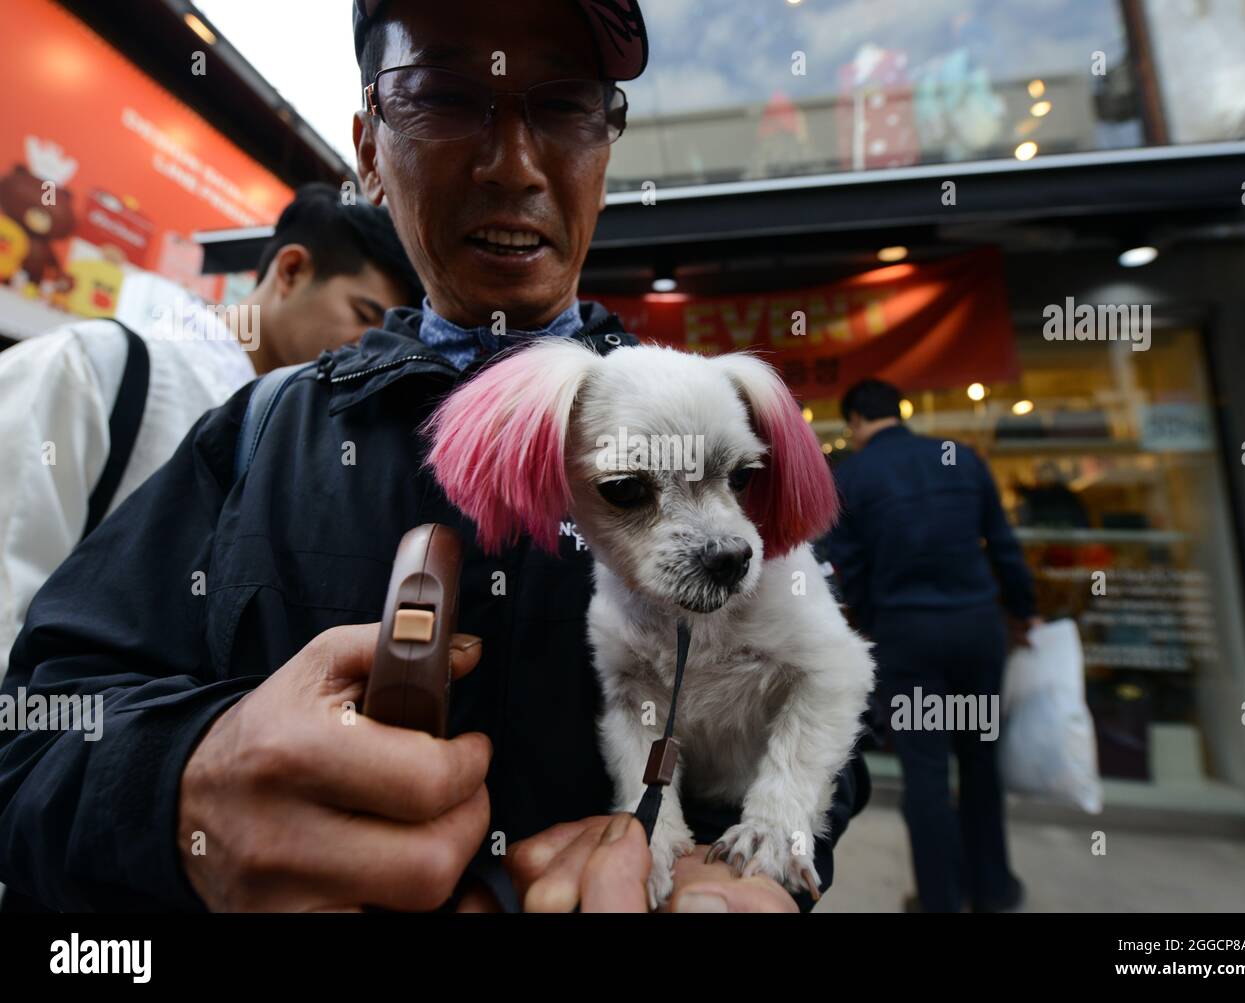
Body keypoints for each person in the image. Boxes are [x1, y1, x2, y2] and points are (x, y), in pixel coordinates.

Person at [0, 0, 868, 913]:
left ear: (605, 155)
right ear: (369, 151)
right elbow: (36, 729)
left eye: (566, 106)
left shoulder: (709, 413)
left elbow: (823, 672)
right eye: (446, 97)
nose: (513, 165)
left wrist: (774, 844)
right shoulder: (256, 437)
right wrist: (184, 788)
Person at [0, 183, 421, 681]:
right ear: (291, 271)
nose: (369, 349)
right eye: (363, 316)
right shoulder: (97, 365)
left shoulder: (309, 448)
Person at [824, 378, 1038, 913]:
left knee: (925, 774)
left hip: (907, 636)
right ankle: (993, 890)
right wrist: (1024, 608)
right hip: (976, 629)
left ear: (854, 422)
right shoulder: (961, 459)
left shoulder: (851, 475)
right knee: (979, 763)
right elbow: (1004, 545)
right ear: (902, 410)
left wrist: (870, 626)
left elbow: (845, 568)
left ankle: (939, 899)